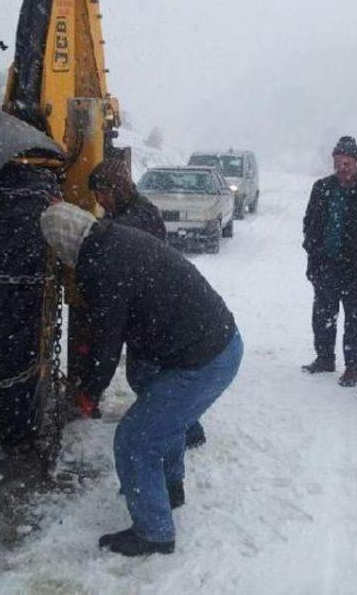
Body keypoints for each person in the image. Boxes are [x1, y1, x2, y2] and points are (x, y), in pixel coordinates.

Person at [40, 202, 243, 556]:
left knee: (135, 439)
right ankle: (169, 486)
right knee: (157, 409)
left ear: (64, 244)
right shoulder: (112, 239)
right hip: (211, 343)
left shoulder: (102, 266)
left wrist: (89, 390)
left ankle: (154, 533)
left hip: (204, 360)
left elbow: (106, 341)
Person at [89, 159, 206, 448]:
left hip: (153, 310)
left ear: (118, 189)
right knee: (143, 374)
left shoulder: (141, 216)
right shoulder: (127, 211)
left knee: (146, 374)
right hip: (145, 309)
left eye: (103, 192)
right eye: (97, 194)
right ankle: (179, 424)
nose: (99, 200)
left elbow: (113, 237)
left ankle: (185, 428)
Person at [302, 136, 357, 386]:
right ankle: (325, 357)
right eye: (338, 162)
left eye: (347, 162)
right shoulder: (322, 188)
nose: (342, 167)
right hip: (326, 265)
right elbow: (311, 222)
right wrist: (312, 250)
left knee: (356, 320)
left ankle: (353, 367)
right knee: (323, 315)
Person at [88, 158, 166, 240]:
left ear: (121, 190)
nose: (100, 200)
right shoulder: (117, 211)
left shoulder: (144, 216)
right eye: (96, 194)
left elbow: (113, 231)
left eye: (105, 192)